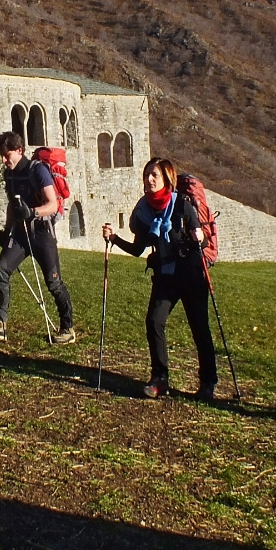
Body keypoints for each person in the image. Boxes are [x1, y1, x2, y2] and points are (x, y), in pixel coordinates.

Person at [101, 157, 217, 401]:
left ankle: (208, 382)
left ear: (167, 179)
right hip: (165, 275)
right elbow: (138, 249)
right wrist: (114, 239)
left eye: (154, 175)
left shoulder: (182, 205)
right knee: (154, 321)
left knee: (199, 328)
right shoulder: (143, 210)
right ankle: (160, 378)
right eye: (146, 175)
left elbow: (202, 240)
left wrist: (200, 238)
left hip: (191, 273)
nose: (149, 179)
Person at [0, 131, 76, 344]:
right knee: (1, 270)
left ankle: (67, 328)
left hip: (42, 233)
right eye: (1, 156)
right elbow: (13, 208)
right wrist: (6, 232)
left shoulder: (38, 170)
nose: (4, 160)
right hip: (21, 234)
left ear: (19, 150)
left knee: (53, 283)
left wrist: (32, 212)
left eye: (6, 155)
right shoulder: (9, 175)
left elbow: (53, 205)